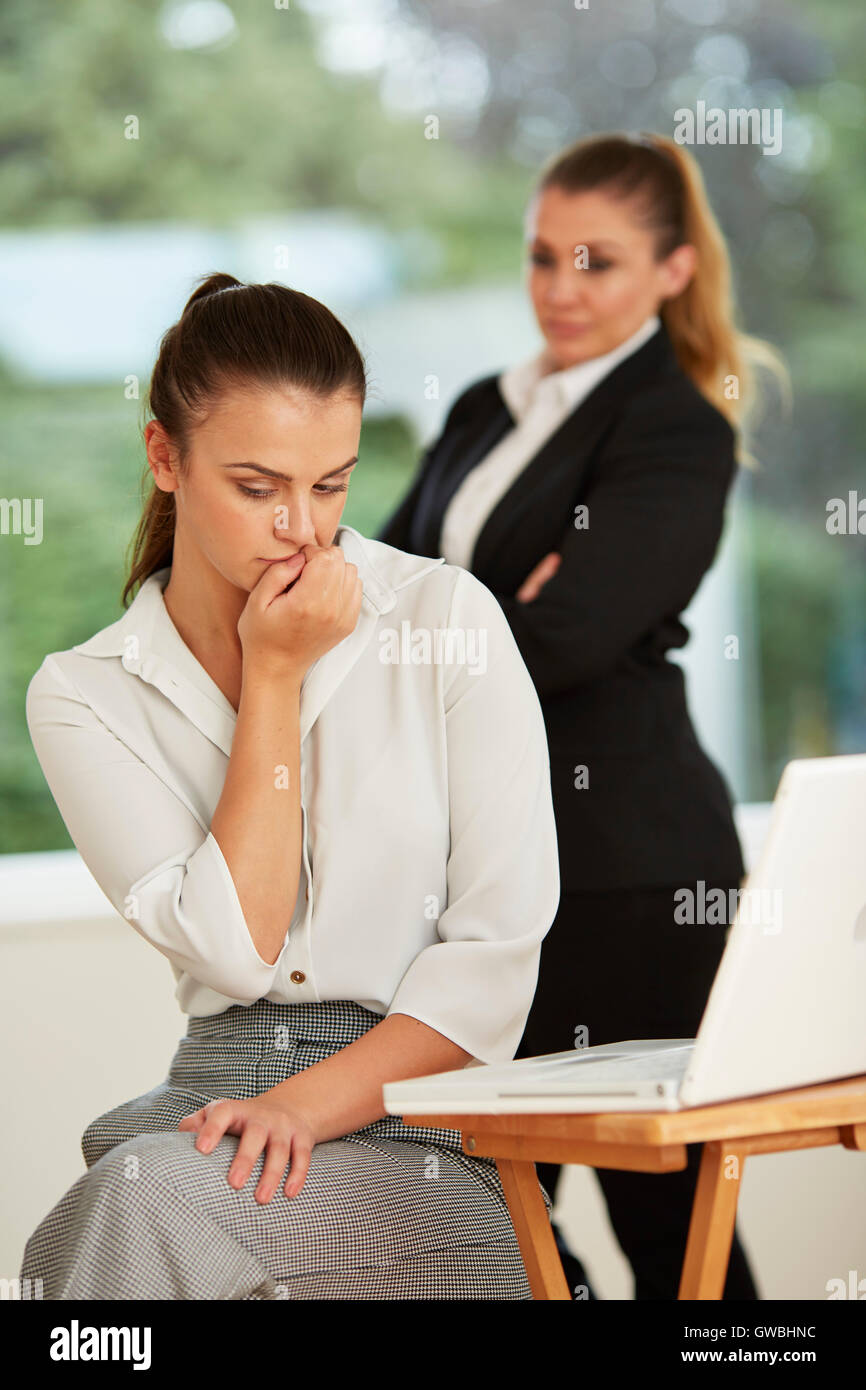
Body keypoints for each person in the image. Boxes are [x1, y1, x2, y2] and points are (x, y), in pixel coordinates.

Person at [19, 272, 562, 1301]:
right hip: (214, 1112)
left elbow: (493, 963)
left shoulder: (446, 618)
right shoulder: (84, 694)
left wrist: (307, 1107)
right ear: (164, 457)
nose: (303, 530)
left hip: (415, 1121)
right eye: (259, 488)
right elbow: (237, 943)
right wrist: (272, 675)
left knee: (127, 1212)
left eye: (331, 485)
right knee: (138, 1204)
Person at [378, 132, 785, 1301]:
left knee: (668, 1220)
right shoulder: (481, 407)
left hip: (627, 874)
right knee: (482, 1210)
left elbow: (568, 637)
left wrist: (469, 620)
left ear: (669, 270)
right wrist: (498, 606)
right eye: (542, 256)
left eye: (594, 262)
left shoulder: (672, 423)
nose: (558, 288)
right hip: (488, 871)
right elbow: (377, 594)